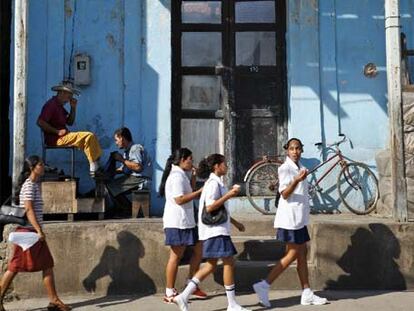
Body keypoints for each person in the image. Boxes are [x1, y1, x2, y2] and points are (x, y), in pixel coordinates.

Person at [252, 138, 328, 307]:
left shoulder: (300, 167)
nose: (295, 152)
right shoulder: (285, 169)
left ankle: (306, 292)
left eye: (298, 148)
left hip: (299, 218)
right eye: (292, 149)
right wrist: (296, 181)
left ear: (301, 150)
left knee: (302, 253)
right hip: (290, 219)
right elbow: (285, 193)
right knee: (293, 254)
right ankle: (264, 285)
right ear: (287, 150)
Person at [173, 154, 250, 311]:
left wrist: (235, 223)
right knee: (228, 262)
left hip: (215, 230)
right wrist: (229, 194)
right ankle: (232, 304)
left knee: (210, 265)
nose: (226, 167)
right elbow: (210, 207)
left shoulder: (215, 183)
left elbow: (218, 209)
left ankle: (183, 296)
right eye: (224, 164)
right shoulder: (213, 184)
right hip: (216, 231)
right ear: (217, 166)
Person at [0, 156, 70, 311]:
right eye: (40, 164)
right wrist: (39, 230)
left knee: (47, 264)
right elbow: (29, 210)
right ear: (32, 168)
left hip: (32, 232)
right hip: (29, 234)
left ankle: (54, 301)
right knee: (14, 267)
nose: (43, 166)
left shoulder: (34, 185)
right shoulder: (29, 186)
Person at [159, 148, 207, 303]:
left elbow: (189, 191)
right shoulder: (176, 177)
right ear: (182, 160)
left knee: (199, 250)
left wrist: (193, 177)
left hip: (187, 221)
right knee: (176, 256)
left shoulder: (182, 175)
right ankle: (169, 291)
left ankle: (191, 285)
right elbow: (179, 199)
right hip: (177, 222)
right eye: (190, 159)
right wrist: (200, 191)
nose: (192, 162)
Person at [37, 80, 102, 177]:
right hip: (56, 139)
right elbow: (40, 122)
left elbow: (70, 122)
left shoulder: (59, 106)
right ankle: (94, 166)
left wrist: (73, 108)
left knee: (91, 137)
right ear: (62, 92)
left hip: (64, 136)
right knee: (88, 136)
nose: (70, 97)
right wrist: (57, 131)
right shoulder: (51, 105)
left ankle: (95, 163)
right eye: (69, 94)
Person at [104, 127, 152, 209]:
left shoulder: (135, 148)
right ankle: (126, 208)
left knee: (110, 187)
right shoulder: (127, 151)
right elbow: (125, 169)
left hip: (140, 178)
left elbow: (137, 167)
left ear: (121, 138)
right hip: (135, 178)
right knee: (110, 185)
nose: (116, 143)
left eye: (116, 140)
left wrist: (121, 159)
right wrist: (109, 171)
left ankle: (127, 209)